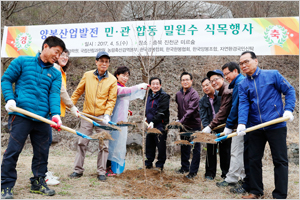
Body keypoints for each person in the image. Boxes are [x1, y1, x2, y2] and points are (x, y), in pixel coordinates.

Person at [1, 36, 66, 199]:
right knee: (13, 151)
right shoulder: (22, 61)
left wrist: (56, 115)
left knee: (42, 152)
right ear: (46, 46)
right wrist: (9, 98)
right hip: (21, 115)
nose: (57, 57)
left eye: (60, 54)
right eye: (56, 52)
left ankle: (37, 182)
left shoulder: (55, 73)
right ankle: (5, 186)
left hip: (43, 119)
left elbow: (53, 94)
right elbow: (6, 79)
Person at [237, 51, 295, 199]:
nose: (243, 65)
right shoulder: (243, 84)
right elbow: (243, 104)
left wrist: (288, 110)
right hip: (255, 126)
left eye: (246, 62)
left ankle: (280, 194)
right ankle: (256, 191)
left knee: (280, 160)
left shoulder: (272, 75)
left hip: (276, 125)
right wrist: (242, 123)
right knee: (254, 160)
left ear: (256, 61)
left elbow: (289, 90)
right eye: (241, 63)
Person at [69, 51, 117, 182]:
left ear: (108, 64)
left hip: (102, 117)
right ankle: (77, 170)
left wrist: (107, 114)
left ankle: (101, 171)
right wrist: (71, 106)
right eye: (101, 61)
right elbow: (78, 91)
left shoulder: (112, 80)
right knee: (82, 142)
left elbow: (111, 100)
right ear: (96, 62)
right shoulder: (88, 75)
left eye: (106, 61)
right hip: (87, 115)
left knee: (104, 145)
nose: (103, 63)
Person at [45, 49, 80, 186]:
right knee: (44, 142)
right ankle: (43, 173)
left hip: (52, 111)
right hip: (48, 111)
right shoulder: (54, 68)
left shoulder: (60, 70)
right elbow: (60, 90)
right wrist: (72, 106)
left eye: (67, 55)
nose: (65, 57)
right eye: (62, 55)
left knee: (46, 142)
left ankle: (44, 170)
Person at [106, 66, 148, 175]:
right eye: (123, 75)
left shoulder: (122, 86)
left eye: (127, 76)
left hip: (121, 121)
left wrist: (126, 110)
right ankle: (108, 167)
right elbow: (126, 91)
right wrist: (139, 86)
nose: (125, 78)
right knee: (112, 144)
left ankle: (112, 167)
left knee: (118, 144)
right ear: (117, 75)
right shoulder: (115, 86)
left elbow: (122, 100)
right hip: (114, 121)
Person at [215, 62, 248, 192]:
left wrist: (228, 126)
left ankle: (233, 179)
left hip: (241, 124)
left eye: (227, 74)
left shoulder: (240, 84)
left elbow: (235, 107)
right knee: (240, 152)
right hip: (240, 123)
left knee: (236, 152)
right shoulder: (238, 83)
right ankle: (241, 177)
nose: (226, 77)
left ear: (235, 71)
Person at [202, 70, 233, 182]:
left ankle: (225, 174)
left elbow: (224, 112)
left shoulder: (222, 95)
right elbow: (204, 116)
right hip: (211, 128)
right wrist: (207, 127)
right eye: (203, 86)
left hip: (224, 127)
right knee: (210, 150)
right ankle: (210, 173)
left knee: (225, 151)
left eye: (207, 84)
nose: (205, 87)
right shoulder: (202, 101)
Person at [175, 72, 202, 179]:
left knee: (196, 149)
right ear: (181, 82)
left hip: (194, 125)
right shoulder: (178, 94)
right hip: (183, 125)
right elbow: (179, 109)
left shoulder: (194, 94)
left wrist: (180, 121)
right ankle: (184, 167)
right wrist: (180, 121)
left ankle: (193, 171)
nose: (185, 82)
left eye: (187, 80)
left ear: (191, 81)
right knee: (184, 146)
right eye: (183, 80)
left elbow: (190, 111)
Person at [145, 77, 170, 171]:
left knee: (160, 146)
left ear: (160, 85)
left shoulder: (164, 96)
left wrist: (153, 121)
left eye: (157, 84)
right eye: (153, 84)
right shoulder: (148, 96)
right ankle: (148, 163)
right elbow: (146, 108)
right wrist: (146, 117)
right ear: (150, 85)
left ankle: (160, 165)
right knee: (149, 145)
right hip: (149, 125)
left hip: (160, 125)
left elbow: (161, 111)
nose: (155, 86)